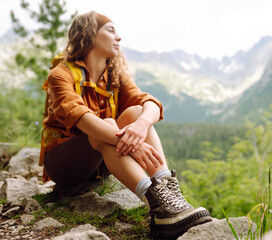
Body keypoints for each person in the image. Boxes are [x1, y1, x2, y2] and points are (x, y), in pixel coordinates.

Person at [38, 11, 211, 238]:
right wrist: (131, 143)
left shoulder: (115, 75)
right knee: (108, 123)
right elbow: (80, 116)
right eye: (110, 30)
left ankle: (166, 188)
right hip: (65, 164)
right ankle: (155, 205)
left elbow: (149, 104)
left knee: (136, 112)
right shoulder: (60, 74)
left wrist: (140, 125)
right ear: (89, 34)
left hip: (103, 159)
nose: (118, 37)